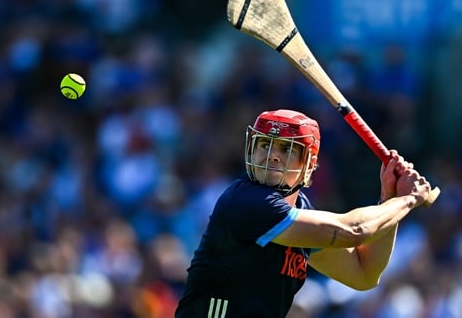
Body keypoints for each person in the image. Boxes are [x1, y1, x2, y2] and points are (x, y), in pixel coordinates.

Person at [174, 109, 434, 318]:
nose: (272, 156)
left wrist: (388, 198)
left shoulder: (300, 210)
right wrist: (408, 200)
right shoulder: (247, 202)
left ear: (309, 164)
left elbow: (363, 273)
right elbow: (353, 231)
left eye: (286, 149)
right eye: (265, 144)